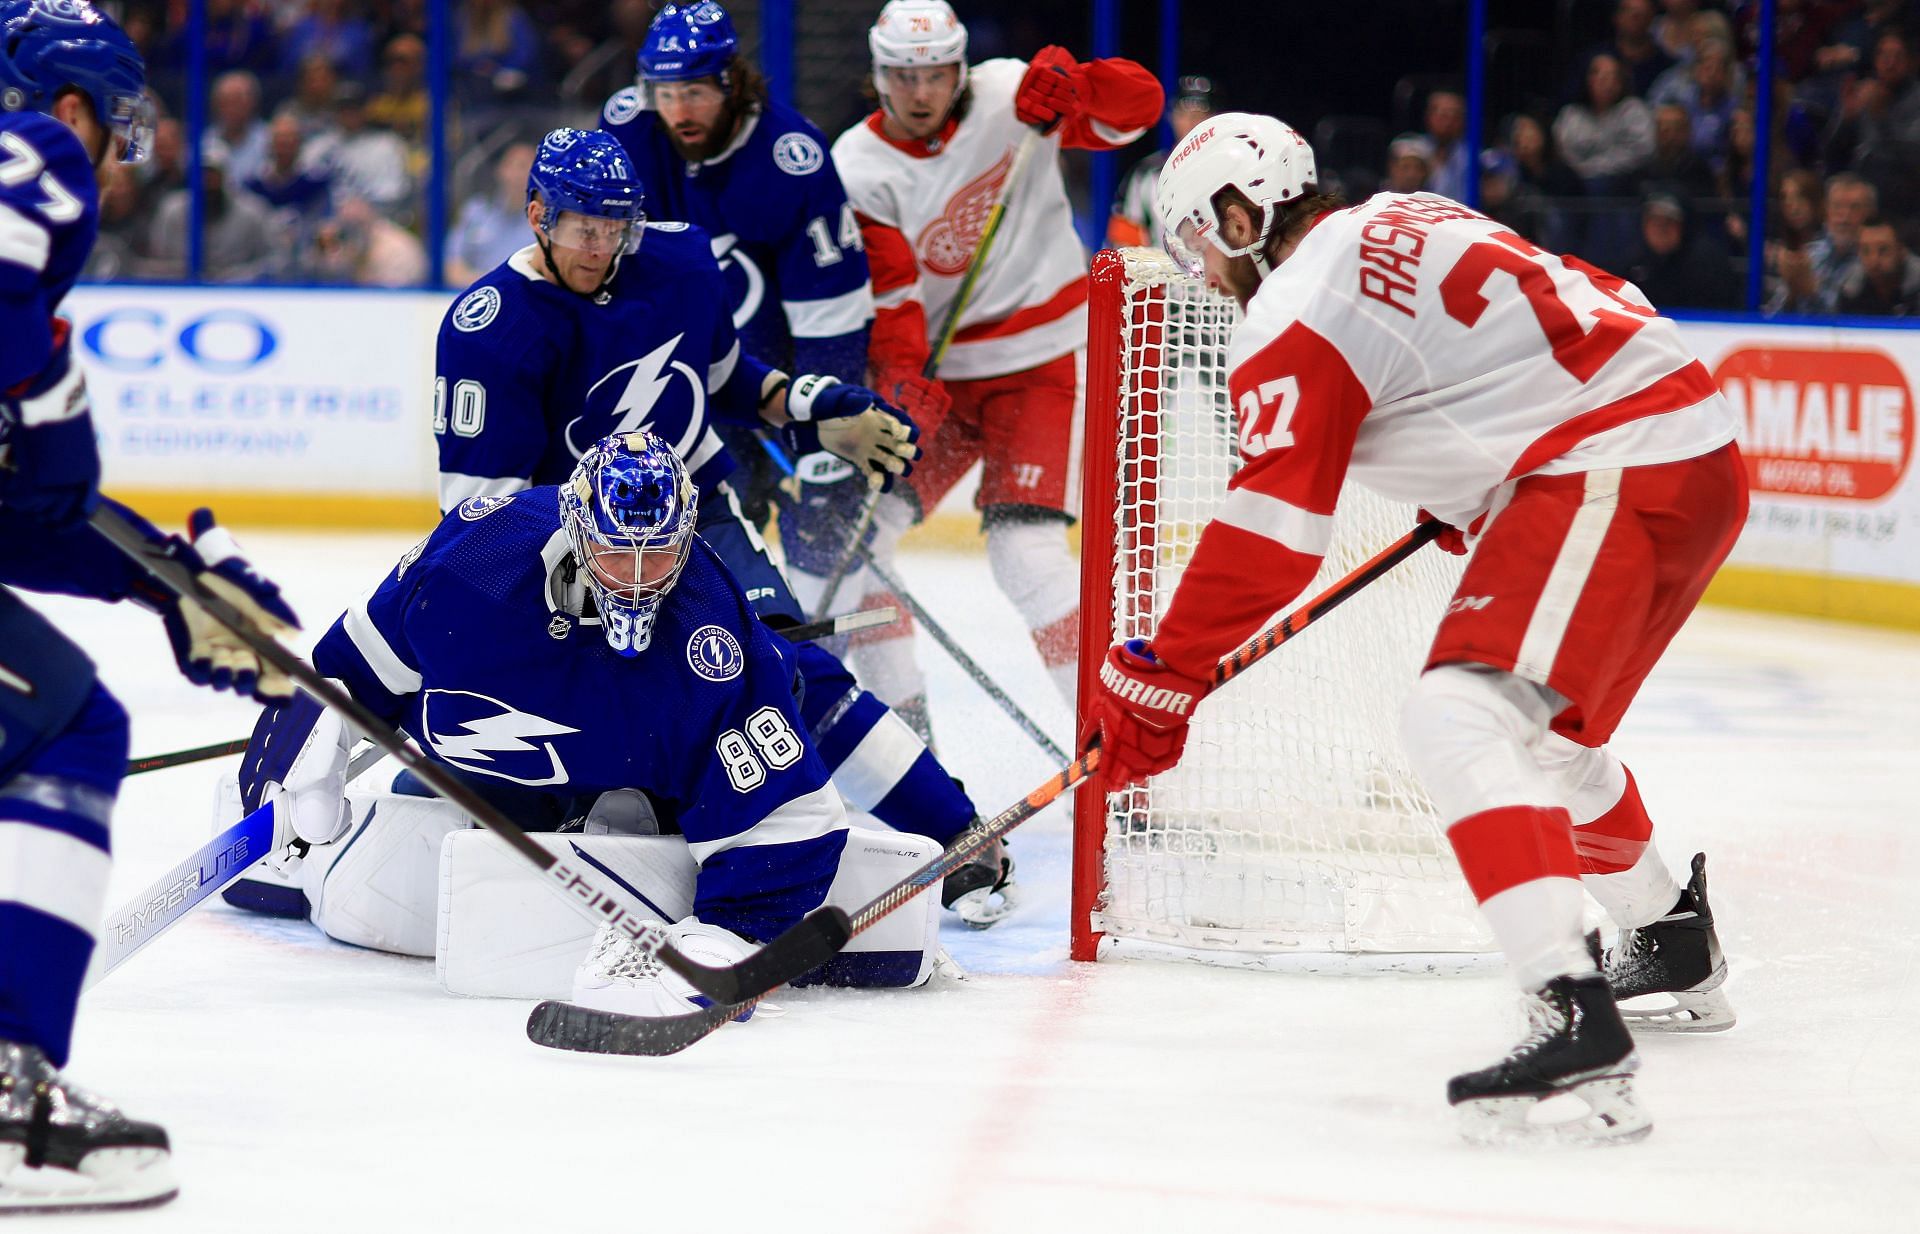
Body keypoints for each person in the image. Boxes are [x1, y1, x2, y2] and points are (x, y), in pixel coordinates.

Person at [1086, 113, 1744, 1145]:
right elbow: (1521, 334)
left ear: (1238, 212)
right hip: (1679, 445)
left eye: (1197, 244)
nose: (1201, 275)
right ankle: (1668, 936)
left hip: (1616, 458)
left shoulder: (1291, 310)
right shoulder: (1399, 213)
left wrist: (1164, 674)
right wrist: (1482, 477)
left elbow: (1269, 536)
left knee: (1455, 718)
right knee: (1538, 737)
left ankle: (1574, 1021)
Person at [428, 127, 1015, 925]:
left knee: (796, 676)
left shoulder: (678, 263)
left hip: (699, 512)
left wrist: (810, 411)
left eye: (616, 227)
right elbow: (480, 519)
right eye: (580, 226)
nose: (600, 247)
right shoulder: (488, 330)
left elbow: (725, 380)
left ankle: (960, 833)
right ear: (537, 213)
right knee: (615, 710)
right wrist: (573, 593)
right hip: (574, 549)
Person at [238, 432, 948, 1020]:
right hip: (500, 777)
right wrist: (317, 711)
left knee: (710, 752)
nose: (637, 578)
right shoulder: (474, 560)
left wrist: (736, 932)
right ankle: (323, 854)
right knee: (380, 857)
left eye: (658, 554)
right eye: (616, 553)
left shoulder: (712, 641)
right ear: (577, 530)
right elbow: (359, 665)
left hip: (655, 786)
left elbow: (790, 820)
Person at [0, 0, 301, 1209]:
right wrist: (51, 418)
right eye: (115, 127)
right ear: (70, 106)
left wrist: (165, 585)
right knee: (69, 729)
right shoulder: (37, 156)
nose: (119, 159)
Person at [828, 0, 1162, 724]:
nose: (921, 94)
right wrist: (898, 384)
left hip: (1040, 360)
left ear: (961, 68)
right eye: (903, 76)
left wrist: (1081, 84)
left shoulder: (1016, 94)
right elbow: (893, 294)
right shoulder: (856, 164)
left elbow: (1138, 113)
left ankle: (1111, 744)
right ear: (878, 75)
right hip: (942, 379)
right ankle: (906, 741)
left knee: (1026, 552)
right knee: (853, 547)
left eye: (937, 75)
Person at [600, 1, 875, 554]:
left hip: (774, 381)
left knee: (807, 535)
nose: (680, 111)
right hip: (669, 372)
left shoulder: (789, 159)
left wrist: (822, 436)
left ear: (733, 84)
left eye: (696, 92)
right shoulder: (629, 133)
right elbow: (605, 267)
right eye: (667, 94)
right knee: (673, 536)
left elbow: (832, 311)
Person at [1106, 73, 1217, 248]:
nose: (1191, 123)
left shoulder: (1233, 171)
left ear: (1216, 119)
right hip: (1160, 273)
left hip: (1218, 273)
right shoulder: (1145, 174)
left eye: (1200, 114)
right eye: (1184, 114)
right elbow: (1124, 244)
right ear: (1172, 116)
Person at [1836, 216, 1920, 315]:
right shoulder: (1851, 290)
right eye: (1865, 251)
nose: (1874, 260)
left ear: (1901, 251)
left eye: (1883, 250)